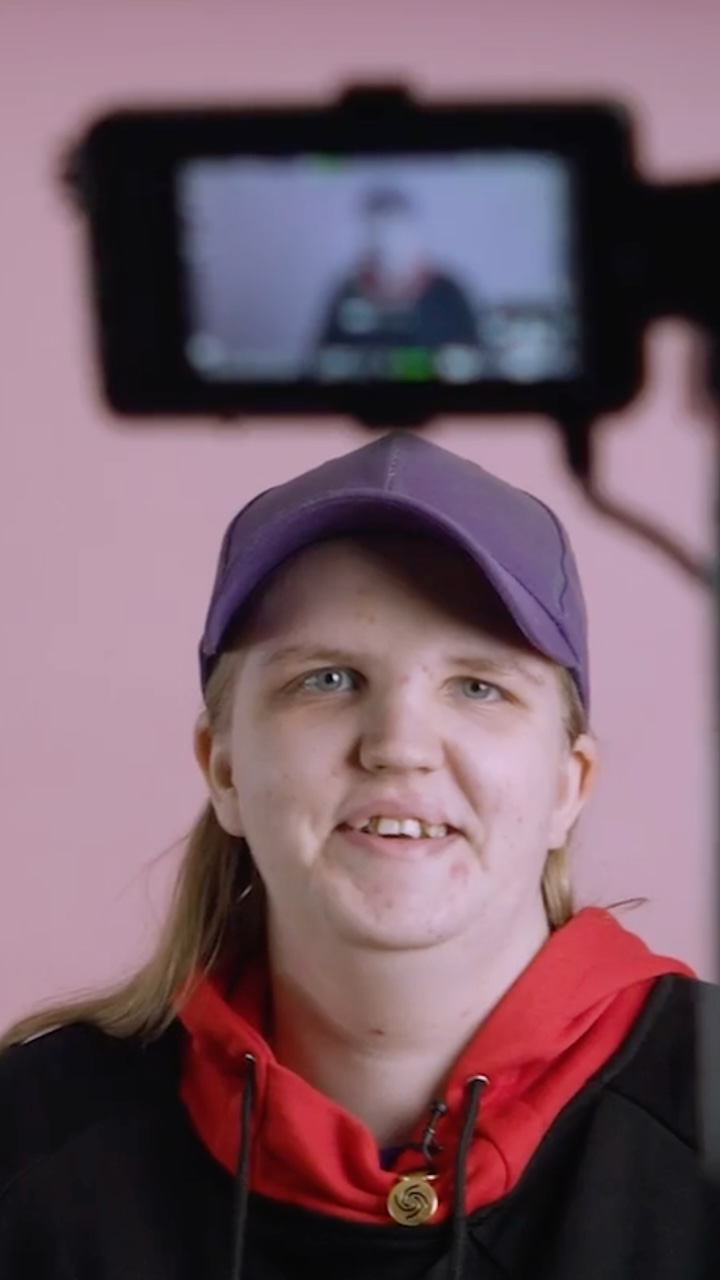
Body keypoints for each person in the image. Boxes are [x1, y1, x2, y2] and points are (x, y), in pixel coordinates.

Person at [0, 429, 718, 1280]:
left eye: (478, 685)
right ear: (222, 769)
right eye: (328, 679)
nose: (398, 746)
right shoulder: (32, 1141)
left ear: (570, 783)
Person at [313, 187, 482, 366]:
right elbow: (321, 362)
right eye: (377, 233)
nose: (388, 246)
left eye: (397, 233)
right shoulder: (348, 292)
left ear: (416, 236)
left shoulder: (448, 293)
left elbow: (476, 360)